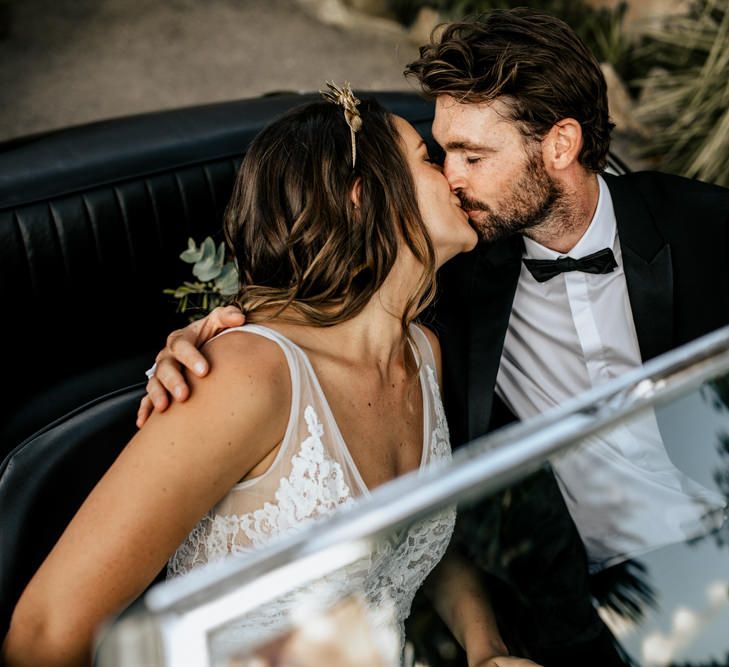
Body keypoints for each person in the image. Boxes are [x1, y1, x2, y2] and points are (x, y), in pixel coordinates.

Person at [138, 8, 729, 667]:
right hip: (575, 609)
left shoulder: (706, 229)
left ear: (559, 147)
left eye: (473, 155)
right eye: (441, 150)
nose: (450, 175)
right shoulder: (447, 270)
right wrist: (224, 320)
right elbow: (330, 284)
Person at [2, 89, 540, 667]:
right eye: (428, 160)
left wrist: (487, 649)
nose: (455, 176)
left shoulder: (423, 355)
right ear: (364, 198)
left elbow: (412, 539)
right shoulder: (246, 378)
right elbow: (46, 631)